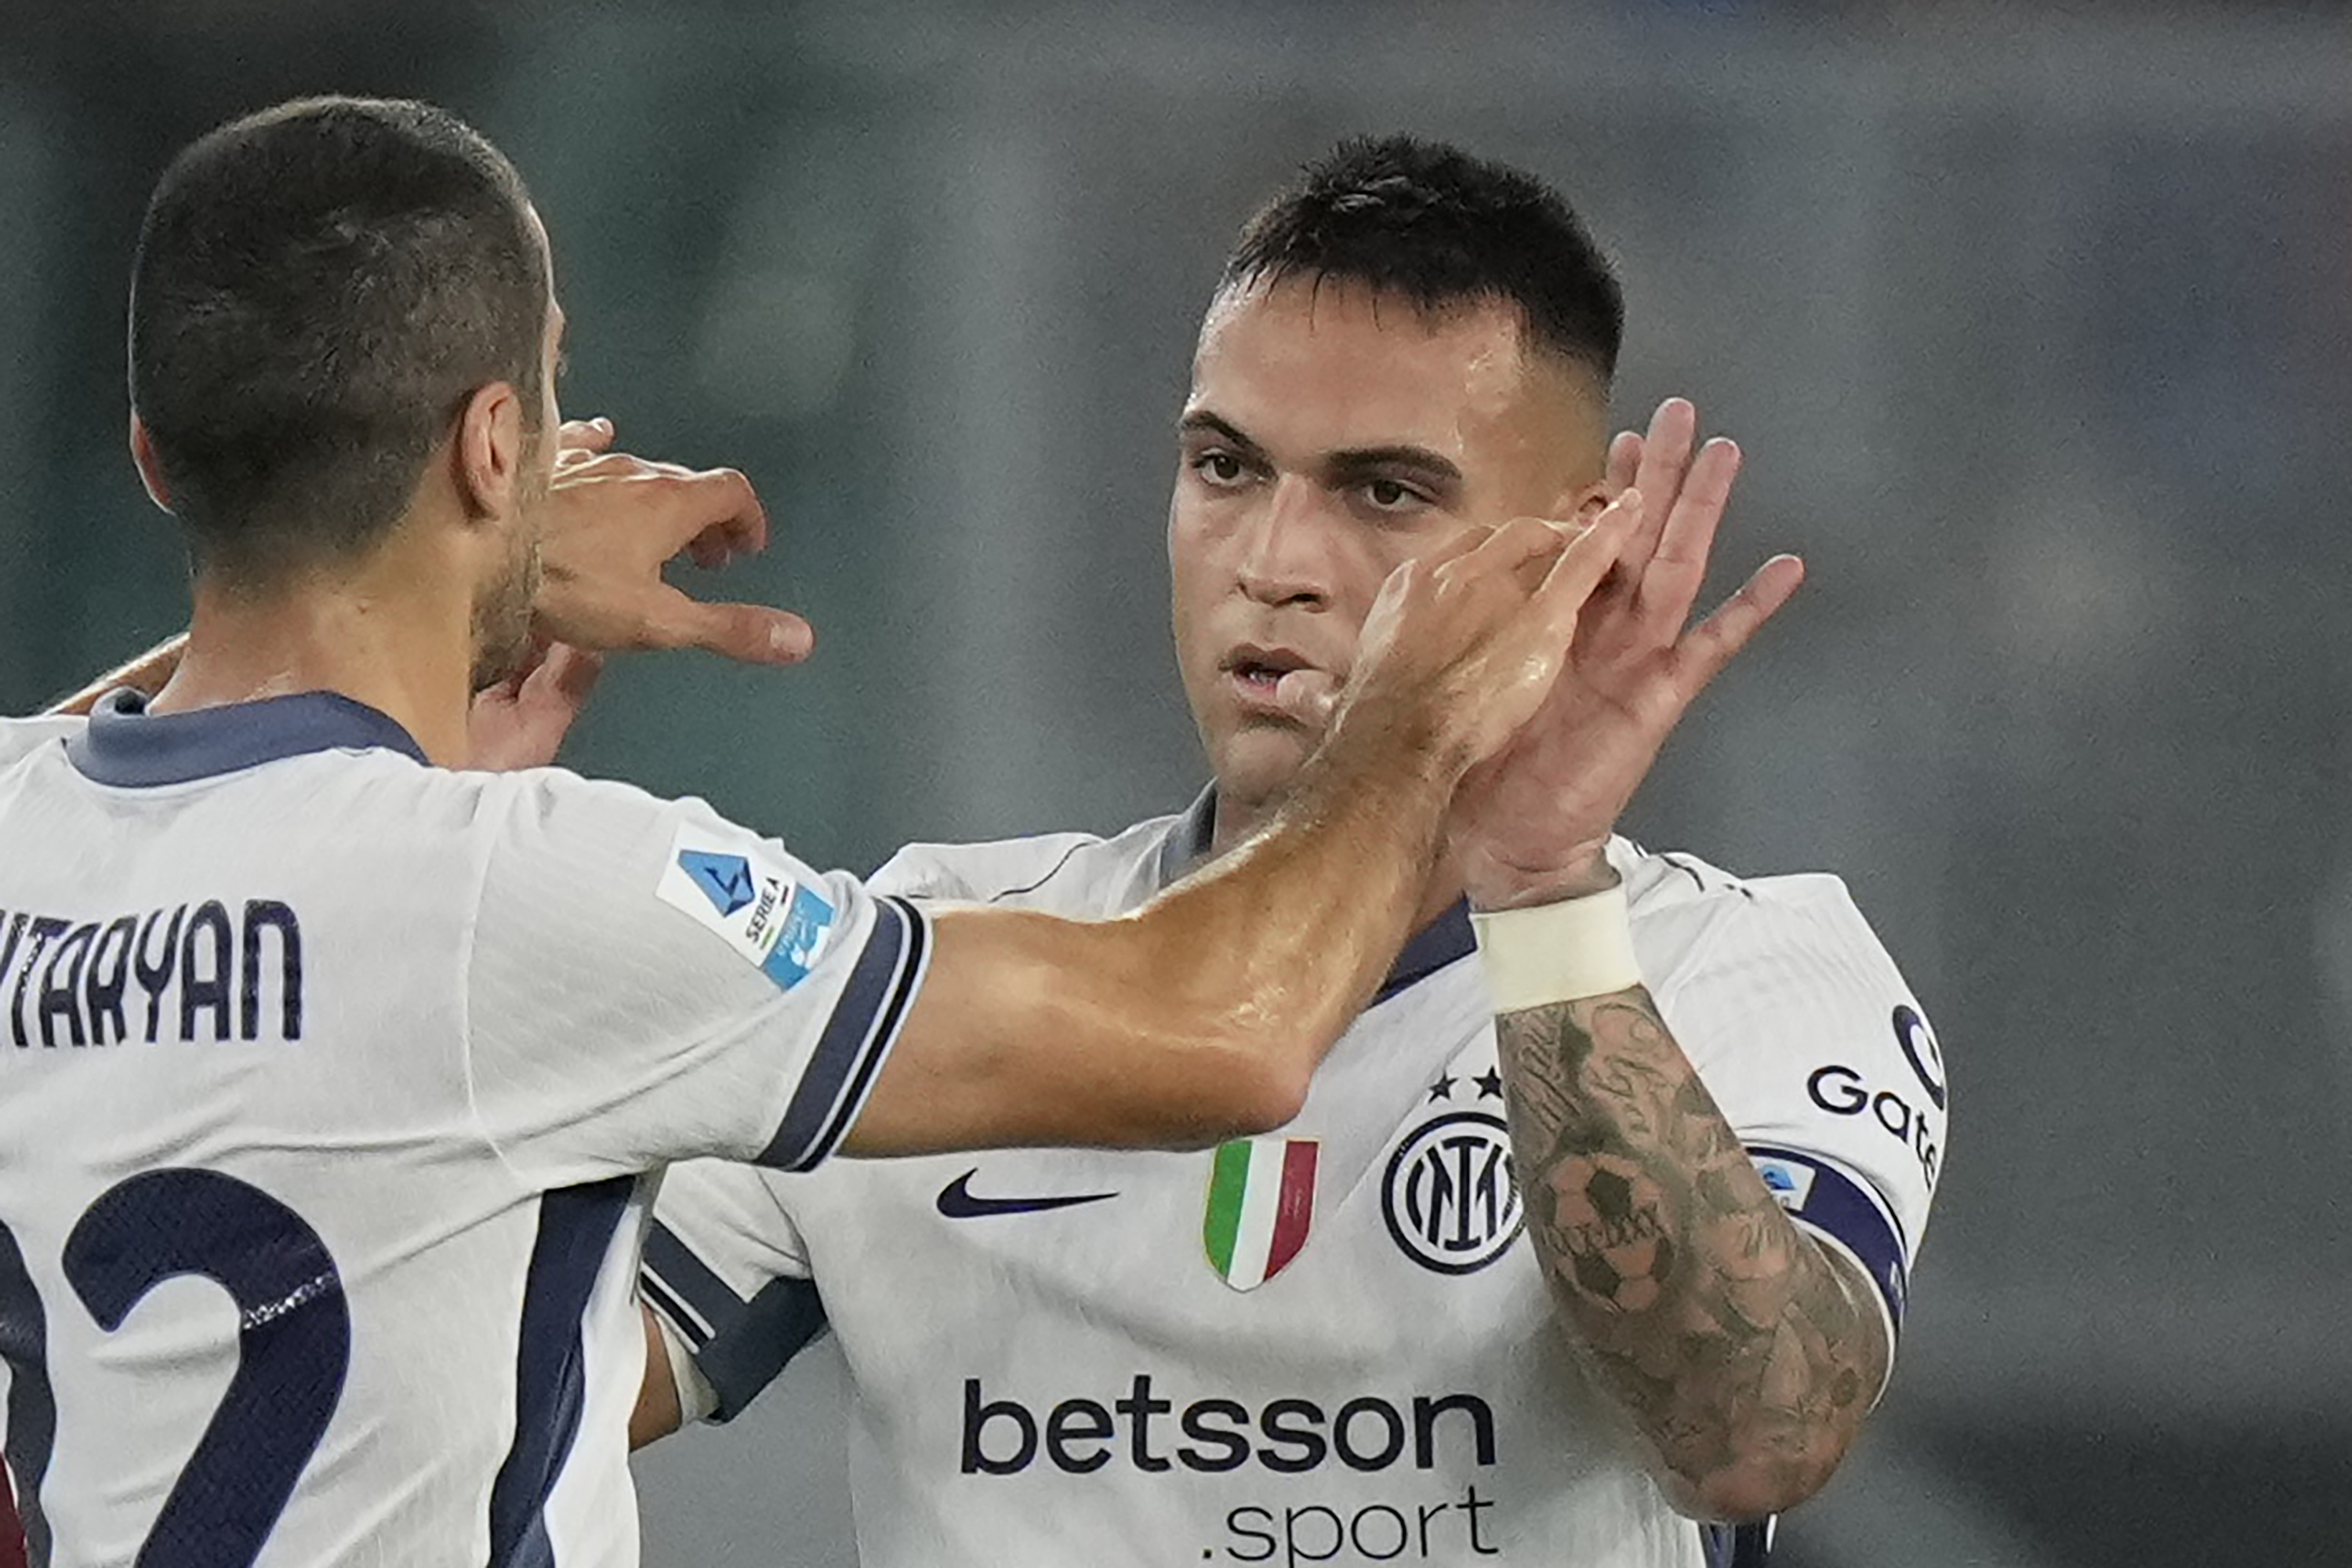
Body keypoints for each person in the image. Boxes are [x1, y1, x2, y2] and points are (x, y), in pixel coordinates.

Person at [0, 103, 1637, 1567]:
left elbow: (177, 758)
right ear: (499, 444)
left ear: (151, 459)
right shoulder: (546, 889)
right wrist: (1423, 713)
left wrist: (440, 568)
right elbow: (1223, 1028)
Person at [631, 137, 1944, 1568]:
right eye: (1224, 468)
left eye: (1385, 493)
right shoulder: (944, 949)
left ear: (1581, 555)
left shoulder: (1745, 969)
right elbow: (487, 1387)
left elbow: (1754, 1439)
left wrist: (1544, 891)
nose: (1274, 560)